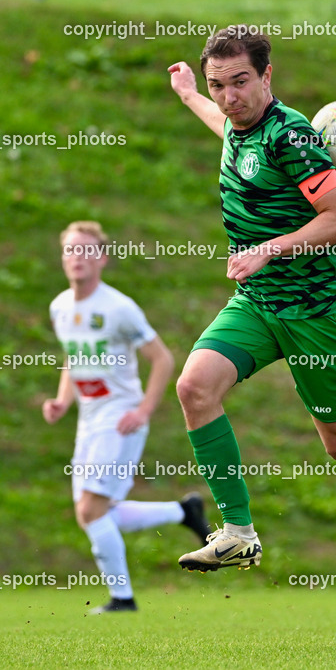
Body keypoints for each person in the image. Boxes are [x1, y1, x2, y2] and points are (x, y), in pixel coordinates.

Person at [166, 26, 336, 579]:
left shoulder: (291, 138)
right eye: (219, 84)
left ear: (267, 76)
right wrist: (191, 94)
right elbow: (224, 127)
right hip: (258, 301)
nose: (229, 96)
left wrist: (269, 248)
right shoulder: (238, 126)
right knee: (194, 387)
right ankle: (238, 533)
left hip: (317, 309)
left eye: (240, 82)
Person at [43, 220, 212, 614]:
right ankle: (183, 511)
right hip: (88, 419)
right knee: (97, 514)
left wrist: (143, 410)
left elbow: (162, 359)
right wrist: (61, 401)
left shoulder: (118, 308)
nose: (77, 258)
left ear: (101, 258)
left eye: (86, 250)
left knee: (90, 510)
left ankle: (123, 599)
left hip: (119, 418)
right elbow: (74, 359)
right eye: (70, 250)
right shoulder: (60, 307)